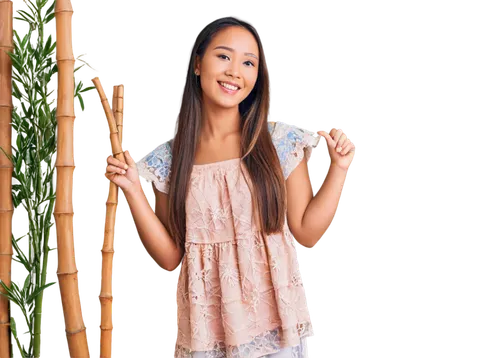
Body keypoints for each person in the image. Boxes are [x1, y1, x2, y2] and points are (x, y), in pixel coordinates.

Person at [103, 15, 357, 358]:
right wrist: (133, 191)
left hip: (276, 335)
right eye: (223, 56)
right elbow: (170, 257)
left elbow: (307, 233)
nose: (235, 71)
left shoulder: (277, 142)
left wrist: (339, 168)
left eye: (248, 62)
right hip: (207, 339)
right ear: (197, 63)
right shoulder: (169, 160)